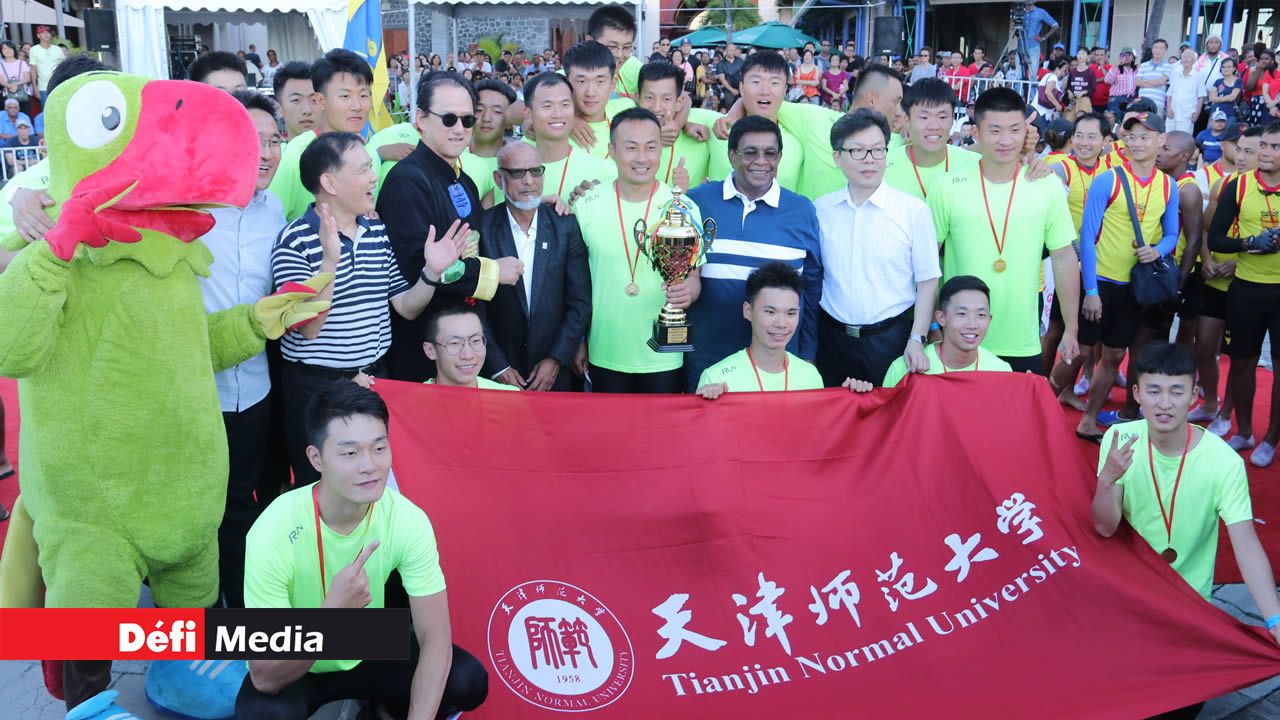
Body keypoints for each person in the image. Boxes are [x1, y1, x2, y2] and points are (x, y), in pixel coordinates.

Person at [237, 381, 489, 718]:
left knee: (467, 680)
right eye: (350, 453)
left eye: (379, 448)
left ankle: (380, 712)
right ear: (316, 458)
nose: (369, 465)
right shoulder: (273, 531)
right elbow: (265, 677)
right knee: (261, 713)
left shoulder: (407, 519)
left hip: (370, 641)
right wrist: (333, 614)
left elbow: (436, 638)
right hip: (299, 655)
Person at [273, 132, 470, 484]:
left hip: (376, 381)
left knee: (376, 484)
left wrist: (431, 272)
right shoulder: (295, 239)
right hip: (318, 388)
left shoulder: (377, 230)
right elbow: (308, 329)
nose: (374, 177)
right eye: (364, 169)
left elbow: (406, 307)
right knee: (323, 489)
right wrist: (329, 262)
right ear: (330, 182)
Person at [1091, 345, 1280, 690]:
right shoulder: (1119, 441)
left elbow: (1247, 545)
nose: (1164, 403)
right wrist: (1107, 479)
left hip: (1188, 605)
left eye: (1176, 391)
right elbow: (1104, 528)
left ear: (1194, 394)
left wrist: (1274, 618)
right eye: (1153, 391)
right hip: (1128, 596)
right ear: (1136, 393)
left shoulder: (1224, 463)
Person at [189, 90, 288, 607]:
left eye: (274, 140)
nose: (267, 152)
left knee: (244, 498)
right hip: (193, 390)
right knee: (200, 508)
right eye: (255, 141)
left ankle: (239, 607)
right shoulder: (184, 209)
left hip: (257, 389)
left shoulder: (278, 211)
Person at [928, 87, 1080, 374]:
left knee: (1016, 419)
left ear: (1026, 130)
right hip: (959, 342)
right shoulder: (947, 186)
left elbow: (1064, 257)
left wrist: (1071, 327)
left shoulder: (1046, 185)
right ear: (977, 131)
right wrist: (932, 325)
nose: (1006, 140)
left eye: (1015, 129)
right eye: (995, 130)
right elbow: (927, 262)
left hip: (1022, 341)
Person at [377, 71, 514, 383]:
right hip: (426, 347)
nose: (459, 129)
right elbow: (416, 270)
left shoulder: (462, 179)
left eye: (467, 120)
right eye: (449, 118)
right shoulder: (406, 181)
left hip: (465, 346)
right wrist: (493, 272)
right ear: (421, 119)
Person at [685, 115, 822, 391]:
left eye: (770, 153)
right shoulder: (696, 201)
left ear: (780, 157)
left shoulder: (802, 210)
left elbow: (812, 287)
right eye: (750, 152)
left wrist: (807, 351)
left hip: (777, 365)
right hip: (706, 358)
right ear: (731, 154)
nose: (761, 161)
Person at [573, 108, 703, 393]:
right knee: (610, 436)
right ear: (612, 150)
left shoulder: (683, 207)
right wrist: (577, 339)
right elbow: (574, 284)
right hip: (604, 350)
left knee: (659, 436)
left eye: (651, 147)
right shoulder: (586, 204)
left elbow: (694, 278)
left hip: (665, 355)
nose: (642, 158)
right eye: (631, 148)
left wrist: (687, 292)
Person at [1074, 112, 1180, 441]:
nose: (1136, 142)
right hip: (1100, 281)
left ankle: (1089, 420)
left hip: (1133, 286)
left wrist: (1157, 251)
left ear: (1161, 140)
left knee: (1115, 355)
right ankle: (1042, 408)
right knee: (1077, 351)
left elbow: (1172, 235)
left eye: (1145, 136)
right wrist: (1090, 289)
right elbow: (1087, 236)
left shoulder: (1168, 185)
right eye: (1131, 136)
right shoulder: (1109, 179)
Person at [815, 109, 940, 387]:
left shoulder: (913, 211)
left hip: (891, 340)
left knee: (889, 423)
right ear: (838, 157)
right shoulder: (821, 210)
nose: (869, 160)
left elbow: (928, 282)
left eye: (877, 150)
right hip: (831, 339)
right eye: (857, 151)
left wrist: (916, 339)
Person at [478, 141, 590, 391]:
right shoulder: (482, 228)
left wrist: (556, 359)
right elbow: (475, 307)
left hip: (556, 373)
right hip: (499, 373)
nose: (529, 181)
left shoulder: (565, 226)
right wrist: (498, 366)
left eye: (535, 171)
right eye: (518, 173)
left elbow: (579, 301)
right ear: (499, 179)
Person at [1206, 122, 1280, 466]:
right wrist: (1249, 243)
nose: (1265, 152)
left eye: (1274, 147)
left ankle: (1271, 437)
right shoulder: (1237, 185)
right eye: (1262, 145)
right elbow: (1215, 239)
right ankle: (1245, 429)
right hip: (1247, 288)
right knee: (1242, 362)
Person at [1194, 125, 1259, 438]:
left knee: (1239, 355)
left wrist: (1237, 262)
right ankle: (1209, 401)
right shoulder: (1225, 183)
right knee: (1204, 347)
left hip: (1245, 283)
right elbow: (1207, 230)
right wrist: (1206, 260)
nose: (1242, 157)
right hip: (1214, 280)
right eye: (1240, 149)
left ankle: (1226, 414)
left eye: (1250, 151)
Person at [269, 50, 380, 222]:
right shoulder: (294, 156)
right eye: (345, 96)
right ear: (320, 100)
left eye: (364, 95)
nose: (357, 106)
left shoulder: (370, 153)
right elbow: (270, 221)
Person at [695, 261, 825, 397]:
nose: (781, 323)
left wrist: (849, 395)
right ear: (748, 311)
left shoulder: (811, 376)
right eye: (770, 312)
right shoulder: (715, 378)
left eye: (790, 313)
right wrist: (707, 401)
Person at [880, 275, 1013, 387]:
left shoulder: (1001, 371)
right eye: (962, 313)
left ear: (989, 320)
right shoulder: (905, 368)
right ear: (941, 318)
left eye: (981, 315)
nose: (972, 324)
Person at [708, 51, 805, 191]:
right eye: (756, 82)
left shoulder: (798, 140)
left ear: (785, 90)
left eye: (775, 83)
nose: (765, 91)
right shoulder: (717, 128)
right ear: (741, 87)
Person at [521, 71, 617, 202]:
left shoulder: (605, 172)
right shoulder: (512, 172)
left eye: (565, 105)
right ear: (528, 114)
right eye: (547, 106)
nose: (557, 114)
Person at [884, 79, 979, 202]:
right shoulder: (882, 165)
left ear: (952, 121)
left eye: (942, 117)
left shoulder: (975, 165)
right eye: (924, 117)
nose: (934, 126)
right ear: (907, 120)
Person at [637, 61, 710, 190]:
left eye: (666, 99)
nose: (657, 108)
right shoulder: (622, 128)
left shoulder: (703, 131)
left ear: (678, 103)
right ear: (638, 98)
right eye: (649, 97)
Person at [422, 302, 520, 390]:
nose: (468, 355)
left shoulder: (509, 398)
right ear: (430, 350)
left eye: (475, 340)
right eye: (455, 343)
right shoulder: (412, 402)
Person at [563, 40, 634, 159]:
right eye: (581, 81)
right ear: (566, 84)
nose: (590, 92)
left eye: (600, 81)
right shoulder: (554, 126)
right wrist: (567, 119)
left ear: (612, 85)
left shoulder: (627, 110)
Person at [460, 78, 516, 208]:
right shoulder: (454, 161)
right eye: (479, 110)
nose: (486, 118)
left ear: (509, 118)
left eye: (497, 111)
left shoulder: (522, 161)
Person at [586, 5, 642, 99]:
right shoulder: (566, 80)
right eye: (612, 47)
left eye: (627, 47)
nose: (620, 55)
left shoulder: (635, 69)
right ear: (590, 42)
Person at [272, 61, 316, 138]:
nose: (307, 110)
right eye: (296, 100)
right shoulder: (271, 149)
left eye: (314, 100)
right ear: (279, 108)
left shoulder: (340, 148)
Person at [1166, 47, 1205, 134]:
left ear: (1194, 61)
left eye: (1189, 57)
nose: (1186, 59)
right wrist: (1168, 108)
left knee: (1183, 141)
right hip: (1172, 114)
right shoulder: (1176, 74)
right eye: (1184, 57)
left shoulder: (1198, 76)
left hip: (1187, 116)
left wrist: (1197, 113)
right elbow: (1169, 94)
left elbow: (1201, 97)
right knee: (1168, 139)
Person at [1136, 39, 1172, 118]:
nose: (1158, 50)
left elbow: (1161, 81)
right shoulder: (1144, 65)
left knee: (1154, 128)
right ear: (1152, 49)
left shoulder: (1168, 66)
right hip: (1142, 102)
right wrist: (1156, 82)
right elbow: (1137, 82)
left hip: (1157, 103)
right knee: (1140, 126)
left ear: (1165, 50)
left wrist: (1144, 82)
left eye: (1161, 48)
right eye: (1155, 48)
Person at [27, 25, 62, 105]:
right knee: (46, 112)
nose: (46, 34)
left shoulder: (58, 49)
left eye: (48, 32)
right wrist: (35, 88)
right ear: (38, 36)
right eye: (43, 33)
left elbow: (63, 67)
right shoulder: (34, 50)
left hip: (58, 85)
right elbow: (33, 69)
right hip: (43, 87)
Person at [1022, 0, 1059, 69]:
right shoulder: (1020, 12)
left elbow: (1055, 25)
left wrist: (1043, 38)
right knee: (1019, 74)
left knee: (1032, 74)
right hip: (1020, 46)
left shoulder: (1041, 12)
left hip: (1033, 46)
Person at [0, 41, 31, 117]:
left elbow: (27, 78)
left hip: (23, 94)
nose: (7, 51)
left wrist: (15, 85)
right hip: (7, 95)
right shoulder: (1, 64)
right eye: (4, 49)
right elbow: (1, 81)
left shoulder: (22, 63)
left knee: (25, 117)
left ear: (14, 50)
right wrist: (9, 86)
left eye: (10, 48)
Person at [1105, 48, 1139, 118]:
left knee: (1127, 123)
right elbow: (1107, 80)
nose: (1126, 57)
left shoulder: (1137, 70)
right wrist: (1114, 66)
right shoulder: (1116, 69)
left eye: (1129, 55)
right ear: (1120, 57)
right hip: (1116, 99)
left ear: (1133, 58)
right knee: (1115, 121)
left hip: (1132, 99)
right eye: (1124, 55)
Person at [1208, 57, 1242, 123]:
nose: (1225, 69)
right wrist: (1226, 98)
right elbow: (1211, 98)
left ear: (1234, 68)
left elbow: (1232, 97)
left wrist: (1218, 98)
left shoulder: (1238, 81)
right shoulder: (1218, 81)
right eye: (1223, 67)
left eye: (1228, 67)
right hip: (1215, 114)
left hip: (1229, 114)